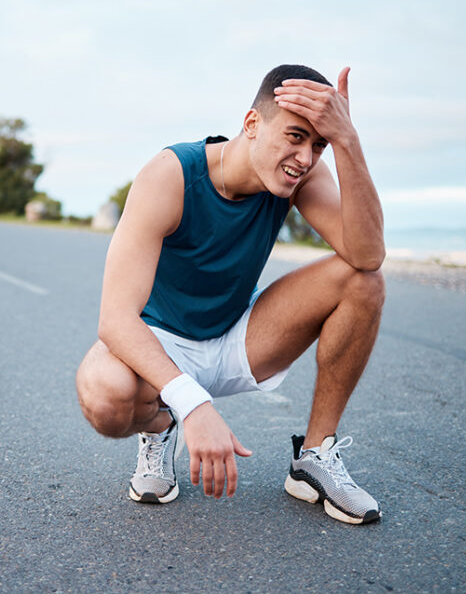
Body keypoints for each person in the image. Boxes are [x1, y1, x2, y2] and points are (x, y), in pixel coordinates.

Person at [75, 64, 385, 524]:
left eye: (319, 144)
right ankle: (162, 427)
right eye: (295, 136)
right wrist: (192, 405)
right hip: (161, 347)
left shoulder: (300, 178)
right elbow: (116, 319)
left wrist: (349, 142)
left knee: (363, 281)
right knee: (105, 395)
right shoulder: (171, 175)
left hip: (239, 335)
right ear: (252, 124)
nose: (305, 157)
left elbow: (368, 254)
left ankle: (314, 459)